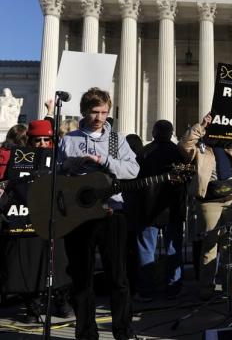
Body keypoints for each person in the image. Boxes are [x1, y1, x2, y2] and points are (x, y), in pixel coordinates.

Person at [58, 87, 139, 340]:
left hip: (111, 212)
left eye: (104, 112)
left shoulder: (117, 140)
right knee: (82, 278)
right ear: (84, 111)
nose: (99, 117)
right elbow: (56, 176)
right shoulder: (68, 139)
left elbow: (133, 170)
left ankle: (123, 332)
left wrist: (104, 161)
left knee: (118, 277)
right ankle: (86, 333)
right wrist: (72, 164)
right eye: (95, 112)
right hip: (77, 216)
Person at [0, 119, 73, 323]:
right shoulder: (19, 159)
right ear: (29, 142)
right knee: (29, 264)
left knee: (59, 262)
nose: (42, 144)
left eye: (46, 140)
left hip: (54, 219)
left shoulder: (59, 159)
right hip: (26, 219)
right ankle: (32, 306)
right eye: (37, 140)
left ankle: (61, 301)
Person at [178, 113, 232, 299]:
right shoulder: (201, 148)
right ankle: (206, 288)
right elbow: (184, 146)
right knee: (210, 244)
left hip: (231, 198)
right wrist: (201, 125)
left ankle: (230, 286)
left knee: (230, 244)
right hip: (210, 200)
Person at [127, 120, 186, 302]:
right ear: (171, 133)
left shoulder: (144, 152)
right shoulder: (178, 153)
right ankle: (173, 288)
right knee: (172, 249)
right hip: (172, 208)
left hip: (148, 209)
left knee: (146, 250)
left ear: (153, 132)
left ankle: (146, 290)